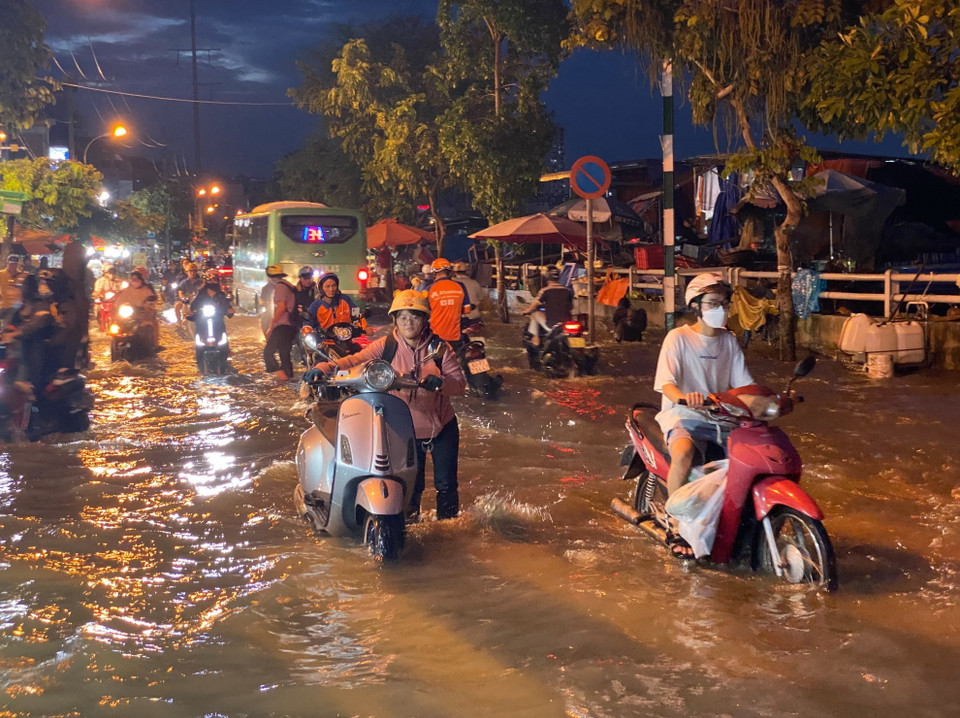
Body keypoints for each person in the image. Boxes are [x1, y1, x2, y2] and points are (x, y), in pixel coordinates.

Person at [311, 289, 467, 520]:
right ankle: (410, 531)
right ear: (394, 319)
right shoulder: (386, 346)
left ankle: (449, 532)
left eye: (415, 316)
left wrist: (441, 383)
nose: (408, 322)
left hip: (442, 427)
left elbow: (460, 385)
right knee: (411, 486)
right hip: (403, 429)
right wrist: (322, 368)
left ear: (425, 320)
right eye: (402, 316)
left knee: (446, 485)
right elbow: (354, 361)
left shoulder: (439, 349)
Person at [653, 272, 754, 558]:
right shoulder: (678, 338)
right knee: (684, 453)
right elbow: (667, 383)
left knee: (751, 460)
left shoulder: (729, 342)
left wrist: (767, 401)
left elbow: (744, 385)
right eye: (712, 303)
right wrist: (685, 398)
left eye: (723, 303)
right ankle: (674, 522)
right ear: (696, 306)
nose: (719, 310)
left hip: (721, 417)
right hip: (683, 415)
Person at [521, 266, 572, 346]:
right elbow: (571, 306)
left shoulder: (545, 291)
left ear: (546, 277)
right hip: (566, 324)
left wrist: (525, 311)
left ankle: (536, 340)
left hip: (552, 324)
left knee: (535, 314)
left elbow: (533, 306)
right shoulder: (567, 291)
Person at [263, 264, 297, 380]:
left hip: (283, 325)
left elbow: (281, 307)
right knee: (284, 354)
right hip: (291, 325)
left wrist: (272, 324)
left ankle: (283, 378)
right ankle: (288, 377)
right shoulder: (288, 285)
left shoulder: (280, 287)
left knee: (268, 352)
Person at [426, 258, 471, 345]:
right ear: (449, 271)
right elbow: (467, 310)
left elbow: (425, 310)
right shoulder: (460, 286)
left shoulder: (429, 288)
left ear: (434, 272)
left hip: (436, 336)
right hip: (455, 336)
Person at [114, 270, 159, 346]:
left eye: (135, 280)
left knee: (151, 324)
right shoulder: (126, 291)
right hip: (128, 315)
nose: (133, 282)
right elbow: (118, 302)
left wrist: (146, 305)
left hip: (143, 314)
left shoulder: (146, 290)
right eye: (132, 280)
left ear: (141, 280)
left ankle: (154, 344)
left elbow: (152, 301)